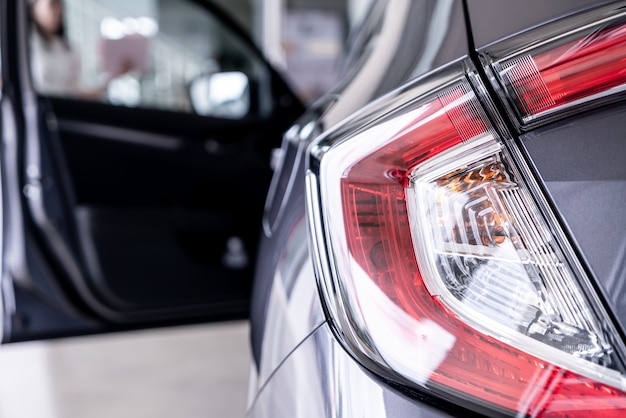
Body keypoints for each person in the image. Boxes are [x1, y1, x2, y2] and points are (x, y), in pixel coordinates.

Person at [29, 0, 124, 98]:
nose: (58, 11)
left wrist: (111, 79)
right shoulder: (27, 47)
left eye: (60, 5)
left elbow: (75, 94)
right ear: (33, 9)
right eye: (52, 4)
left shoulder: (68, 50)